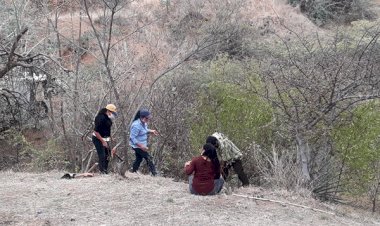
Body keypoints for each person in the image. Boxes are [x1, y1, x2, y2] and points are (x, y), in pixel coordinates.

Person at [129, 109, 159, 176]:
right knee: (148, 158)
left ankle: (133, 172)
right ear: (142, 117)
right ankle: (155, 174)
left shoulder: (144, 123)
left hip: (142, 145)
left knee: (139, 159)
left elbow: (144, 130)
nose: (148, 120)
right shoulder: (136, 125)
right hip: (137, 146)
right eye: (147, 118)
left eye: (149, 118)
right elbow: (132, 138)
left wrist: (151, 131)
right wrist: (141, 146)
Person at [92, 104, 117, 174]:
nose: (113, 114)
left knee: (108, 155)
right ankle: (102, 172)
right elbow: (96, 131)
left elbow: (107, 129)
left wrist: (111, 138)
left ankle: (105, 171)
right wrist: (102, 141)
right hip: (97, 138)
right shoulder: (100, 118)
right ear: (108, 111)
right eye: (112, 112)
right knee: (102, 155)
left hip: (105, 139)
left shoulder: (108, 118)